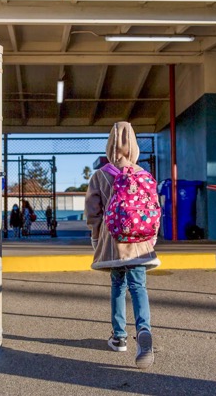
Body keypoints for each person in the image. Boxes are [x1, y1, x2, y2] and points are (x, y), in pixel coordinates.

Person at [84, 121, 160, 369]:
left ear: (109, 145)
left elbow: (93, 214)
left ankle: (119, 337)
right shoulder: (144, 175)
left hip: (114, 242)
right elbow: (155, 210)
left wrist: (96, 239)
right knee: (139, 286)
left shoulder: (100, 175)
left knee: (118, 284)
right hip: (141, 242)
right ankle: (144, 331)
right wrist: (152, 239)